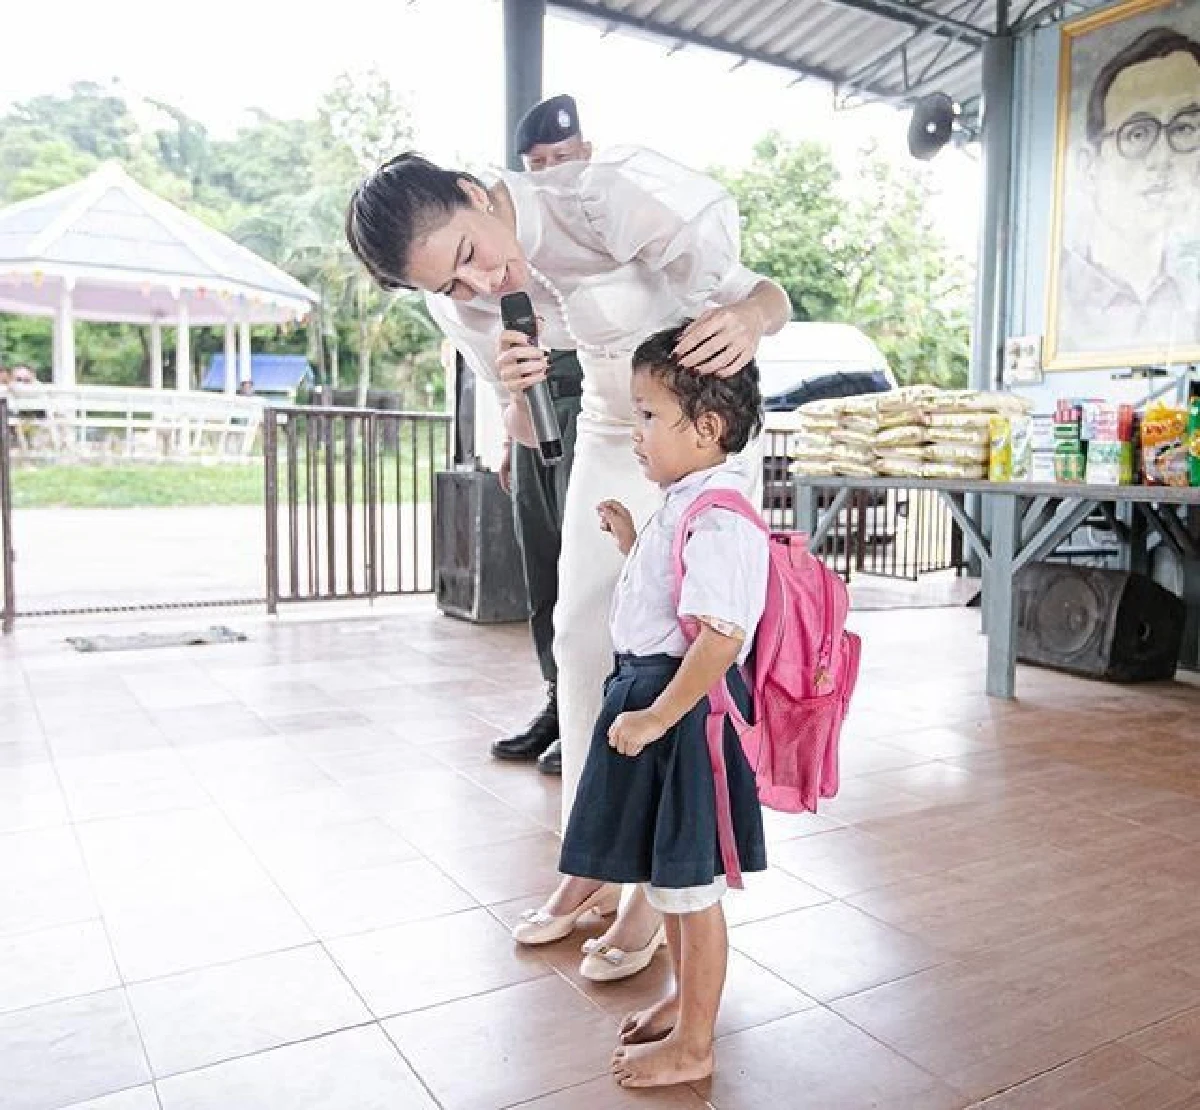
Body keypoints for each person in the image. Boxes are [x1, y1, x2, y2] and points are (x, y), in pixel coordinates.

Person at [345, 144, 789, 981]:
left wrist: (750, 322)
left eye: (472, 256)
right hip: (611, 433)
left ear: (478, 193)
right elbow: (522, 434)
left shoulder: (598, 197)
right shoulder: (466, 304)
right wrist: (518, 391)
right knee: (585, 641)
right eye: (451, 286)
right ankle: (594, 854)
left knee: (678, 646)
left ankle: (657, 888)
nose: (478, 285)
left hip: (698, 437)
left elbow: (765, 294)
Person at [559, 323, 768, 1088]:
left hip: (686, 718)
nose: (634, 431)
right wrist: (628, 543)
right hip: (662, 702)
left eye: (648, 415)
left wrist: (656, 717)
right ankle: (685, 1005)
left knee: (691, 886)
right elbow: (672, 599)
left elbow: (718, 637)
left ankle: (696, 1044)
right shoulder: (687, 501)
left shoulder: (717, 515)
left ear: (708, 428)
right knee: (669, 880)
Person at [491, 94, 591, 777]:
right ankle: (558, 700)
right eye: (538, 163)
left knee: (587, 561)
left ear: (586, 153)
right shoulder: (515, 228)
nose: (551, 171)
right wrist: (509, 436)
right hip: (533, 394)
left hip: (597, 393)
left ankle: (591, 710)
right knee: (542, 555)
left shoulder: (602, 218)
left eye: (561, 157)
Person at [1059, 27, 1200, 354]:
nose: (1163, 158)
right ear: (1089, 167)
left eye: (1184, 128)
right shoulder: (1055, 294)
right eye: (1137, 134)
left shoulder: (1189, 291)